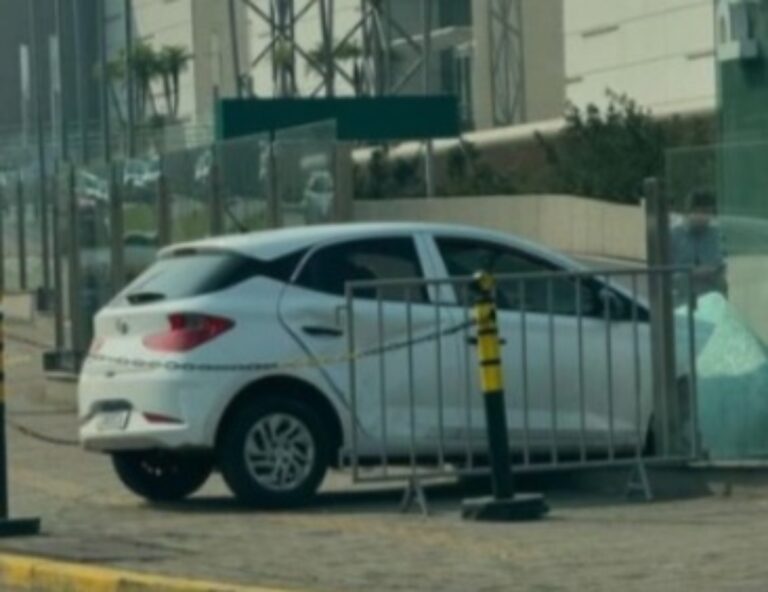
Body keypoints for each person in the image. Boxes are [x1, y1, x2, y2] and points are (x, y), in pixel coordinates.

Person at [670, 189, 727, 299]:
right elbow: (665, 274)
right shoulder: (674, 235)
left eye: (708, 212)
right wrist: (691, 274)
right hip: (683, 300)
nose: (705, 217)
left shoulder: (715, 234)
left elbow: (722, 264)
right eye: (701, 211)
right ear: (688, 211)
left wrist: (715, 272)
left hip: (712, 298)